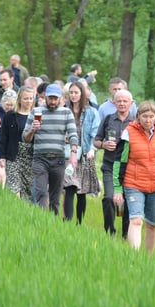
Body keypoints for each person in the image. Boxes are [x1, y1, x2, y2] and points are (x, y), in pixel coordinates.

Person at [112, 101, 155, 254]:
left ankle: (147, 259)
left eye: (151, 117)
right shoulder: (128, 133)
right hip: (133, 183)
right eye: (145, 117)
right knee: (136, 220)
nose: (148, 120)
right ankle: (134, 257)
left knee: (153, 224)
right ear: (138, 117)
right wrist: (117, 188)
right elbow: (119, 162)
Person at [23, 83, 79, 215]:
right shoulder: (36, 112)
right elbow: (25, 138)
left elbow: (73, 135)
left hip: (58, 159)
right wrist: (32, 130)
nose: (53, 101)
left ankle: (52, 222)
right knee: (41, 192)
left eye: (55, 98)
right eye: (50, 98)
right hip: (40, 159)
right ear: (45, 97)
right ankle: (42, 220)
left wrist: (73, 155)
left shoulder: (66, 113)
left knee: (55, 196)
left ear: (60, 98)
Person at [95, 89, 134, 238]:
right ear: (114, 102)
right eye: (119, 101)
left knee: (127, 202)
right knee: (109, 198)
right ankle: (110, 231)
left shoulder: (136, 122)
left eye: (125, 101)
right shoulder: (108, 119)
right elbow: (96, 140)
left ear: (131, 103)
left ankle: (125, 234)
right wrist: (103, 145)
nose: (122, 104)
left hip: (129, 168)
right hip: (110, 166)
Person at [62, 80, 100, 224]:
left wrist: (92, 148)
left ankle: (79, 223)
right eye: (71, 92)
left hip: (84, 155)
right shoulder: (64, 110)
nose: (73, 95)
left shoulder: (92, 112)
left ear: (82, 94)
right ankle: (67, 222)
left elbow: (95, 134)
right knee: (69, 186)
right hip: (68, 154)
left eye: (76, 92)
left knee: (82, 191)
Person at [0, 86, 35, 200]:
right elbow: (4, 136)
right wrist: (2, 156)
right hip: (13, 155)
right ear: (19, 99)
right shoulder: (10, 115)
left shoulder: (37, 115)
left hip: (31, 156)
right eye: (25, 98)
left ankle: (24, 214)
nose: (28, 101)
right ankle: (14, 210)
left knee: (27, 190)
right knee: (14, 188)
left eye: (30, 98)